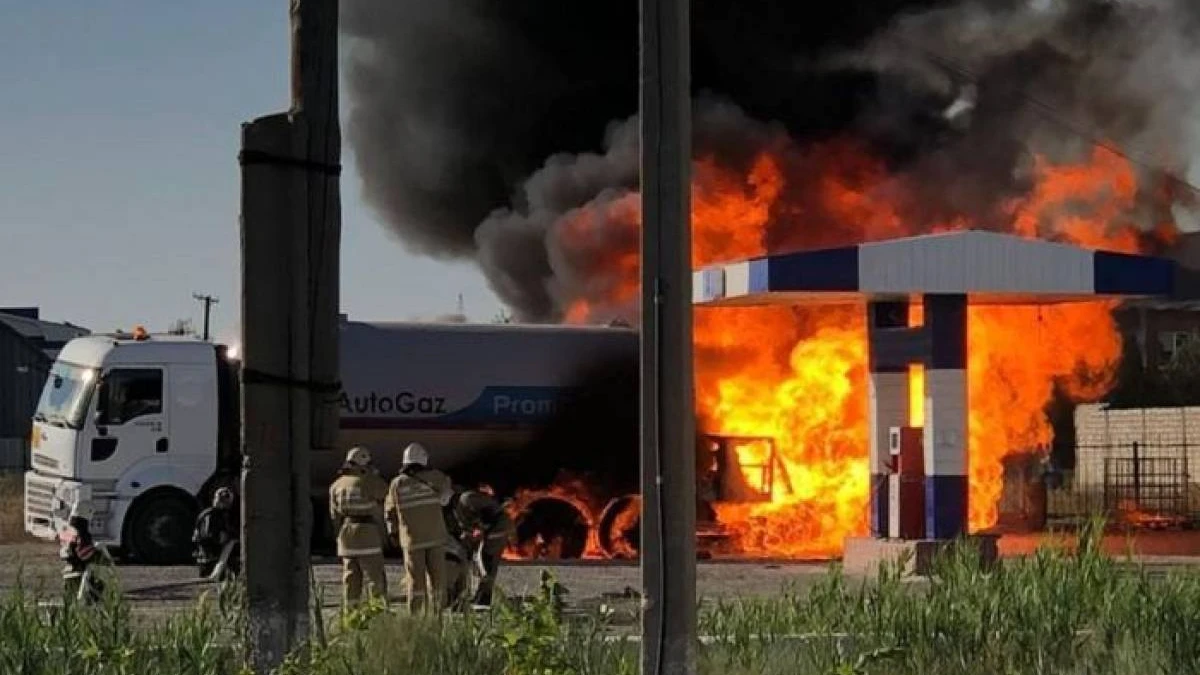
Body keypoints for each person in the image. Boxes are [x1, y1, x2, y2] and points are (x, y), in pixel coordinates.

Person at [385, 442, 453, 613]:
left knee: (415, 582)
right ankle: (437, 617)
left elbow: (390, 511)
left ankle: (415, 616)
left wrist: (392, 532)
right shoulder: (437, 477)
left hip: (412, 540)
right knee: (438, 581)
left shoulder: (397, 484)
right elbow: (446, 500)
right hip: (436, 538)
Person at [329, 446, 390, 609]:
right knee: (375, 578)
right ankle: (378, 613)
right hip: (367, 535)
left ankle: (350, 613)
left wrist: (338, 537)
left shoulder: (336, 485)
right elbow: (385, 492)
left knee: (351, 579)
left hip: (346, 536)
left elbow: (334, 517)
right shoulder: (368, 481)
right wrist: (373, 475)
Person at [453, 489, 515, 608]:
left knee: (485, 562)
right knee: (489, 563)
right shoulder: (468, 499)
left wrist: (475, 534)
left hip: (497, 528)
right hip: (500, 527)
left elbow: (481, 520)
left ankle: (483, 596)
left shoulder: (465, 501)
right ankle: (484, 596)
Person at [59, 502, 106, 604]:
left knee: (70, 599)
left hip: (68, 569)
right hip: (79, 571)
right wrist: (100, 556)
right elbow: (84, 553)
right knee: (97, 587)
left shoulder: (67, 530)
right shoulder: (82, 532)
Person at [192, 487, 240, 580]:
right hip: (211, 556)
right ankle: (218, 572)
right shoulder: (211, 516)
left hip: (206, 555)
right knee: (232, 544)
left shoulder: (212, 514)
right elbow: (210, 537)